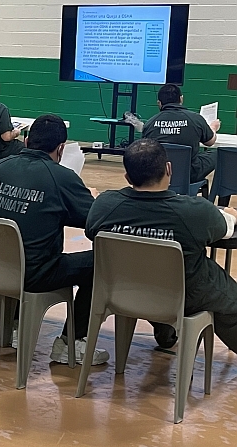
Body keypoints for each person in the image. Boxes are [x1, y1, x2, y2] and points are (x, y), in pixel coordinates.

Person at [86, 138, 237, 353]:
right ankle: (167, 327)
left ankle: (164, 329)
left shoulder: (104, 206)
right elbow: (225, 227)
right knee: (227, 299)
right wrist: (230, 214)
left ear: (127, 177)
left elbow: (91, 229)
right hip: (185, 294)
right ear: (169, 168)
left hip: (125, 290)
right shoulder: (194, 212)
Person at [0, 114, 109, 365]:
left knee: (23, 237)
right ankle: (72, 342)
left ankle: (17, 325)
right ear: (61, 149)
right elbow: (94, 221)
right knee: (101, 262)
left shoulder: (0, 167)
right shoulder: (62, 178)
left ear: (27, 141)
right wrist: (90, 197)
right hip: (35, 274)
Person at [142, 84, 219, 183]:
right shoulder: (196, 119)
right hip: (190, 174)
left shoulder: (150, 123)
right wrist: (213, 127)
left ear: (159, 103)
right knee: (218, 154)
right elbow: (210, 142)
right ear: (181, 99)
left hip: (158, 175)